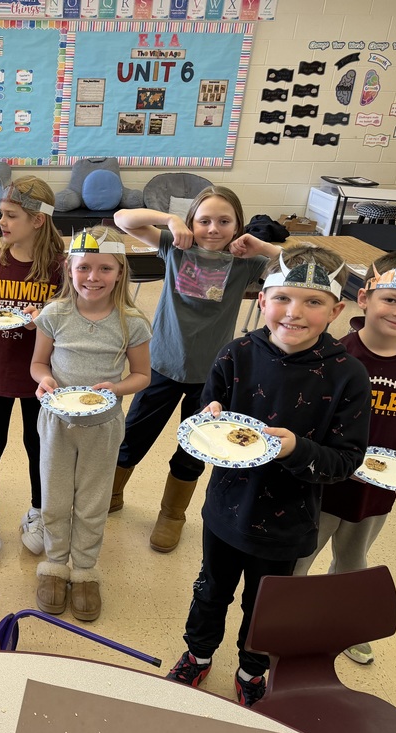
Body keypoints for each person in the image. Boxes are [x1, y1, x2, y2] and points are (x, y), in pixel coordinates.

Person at [165, 243, 371, 707]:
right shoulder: (236, 354)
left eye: (313, 302)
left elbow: (345, 461)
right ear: (262, 300)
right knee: (210, 588)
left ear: (337, 309)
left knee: (265, 607)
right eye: (282, 298)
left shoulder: (347, 376)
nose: (294, 313)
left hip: (288, 521)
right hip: (225, 510)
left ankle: (251, 669)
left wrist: (297, 448)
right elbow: (203, 419)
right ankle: (198, 655)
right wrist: (210, 416)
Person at [294, 252, 396, 665]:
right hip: (323, 482)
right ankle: (287, 621)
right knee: (299, 556)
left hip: (378, 489)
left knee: (352, 559)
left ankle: (339, 623)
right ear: (364, 298)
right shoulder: (333, 356)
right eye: (391, 300)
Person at [111, 187, 278, 553]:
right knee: (133, 433)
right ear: (191, 223)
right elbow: (122, 220)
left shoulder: (245, 263)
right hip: (162, 365)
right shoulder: (175, 246)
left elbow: (305, 267)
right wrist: (169, 219)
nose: (213, 229)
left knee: (195, 447)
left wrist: (264, 248)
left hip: (211, 376)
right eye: (204, 221)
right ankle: (113, 491)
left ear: (238, 227)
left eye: (224, 221)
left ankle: (172, 514)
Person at [30, 228, 152, 622]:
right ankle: (54, 563)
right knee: (55, 496)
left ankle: (83, 569)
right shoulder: (54, 315)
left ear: (120, 272)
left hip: (103, 426)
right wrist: (44, 381)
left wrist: (116, 387)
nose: (93, 277)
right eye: (84, 267)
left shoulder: (131, 322)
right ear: (69, 268)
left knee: (93, 501)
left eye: (104, 268)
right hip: (57, 423)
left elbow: (142, 376)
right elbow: (39, 364)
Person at [0, 177, 64, 558]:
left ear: (37, 220)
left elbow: (70, 315)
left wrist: (44, 319)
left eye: (10, 216)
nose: (1, 223)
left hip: (43, 376)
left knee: (37, 444)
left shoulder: (58, 268)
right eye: (1, 215)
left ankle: (37, 511)